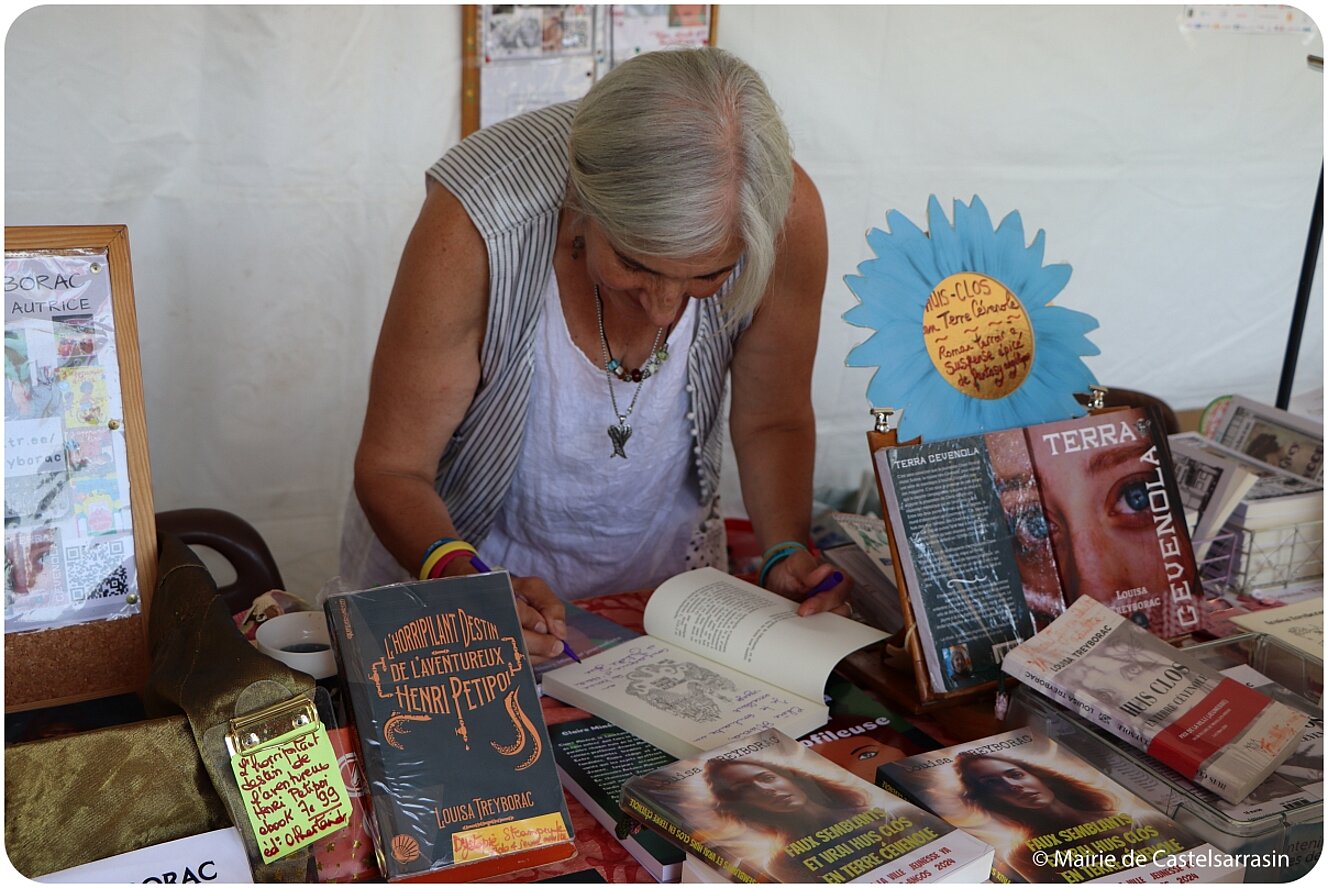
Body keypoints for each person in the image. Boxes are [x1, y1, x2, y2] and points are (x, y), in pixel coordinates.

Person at [341, 47, 846, 660]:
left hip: (663, 591)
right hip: (456, 568)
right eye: (634, 264)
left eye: (706, 276)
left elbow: (774, 417)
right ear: (582, 204)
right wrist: (464, 583)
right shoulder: (481, 222)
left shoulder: (776, 214)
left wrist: (785, 549)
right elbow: (395, 468)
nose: (664, 308)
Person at [955, 752, 1129, 881]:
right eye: (993, 783)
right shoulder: (1022, 856)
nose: (1013, 786)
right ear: (989, 798)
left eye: (1015, 775)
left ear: (1038, 777)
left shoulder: (1137, 821)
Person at [703, 757, 874, 880]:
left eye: (767, 778)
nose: (765, 789)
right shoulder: (782, 863)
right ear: (743, 806)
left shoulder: (882, 814)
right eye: (745, 789)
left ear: (793, 779)